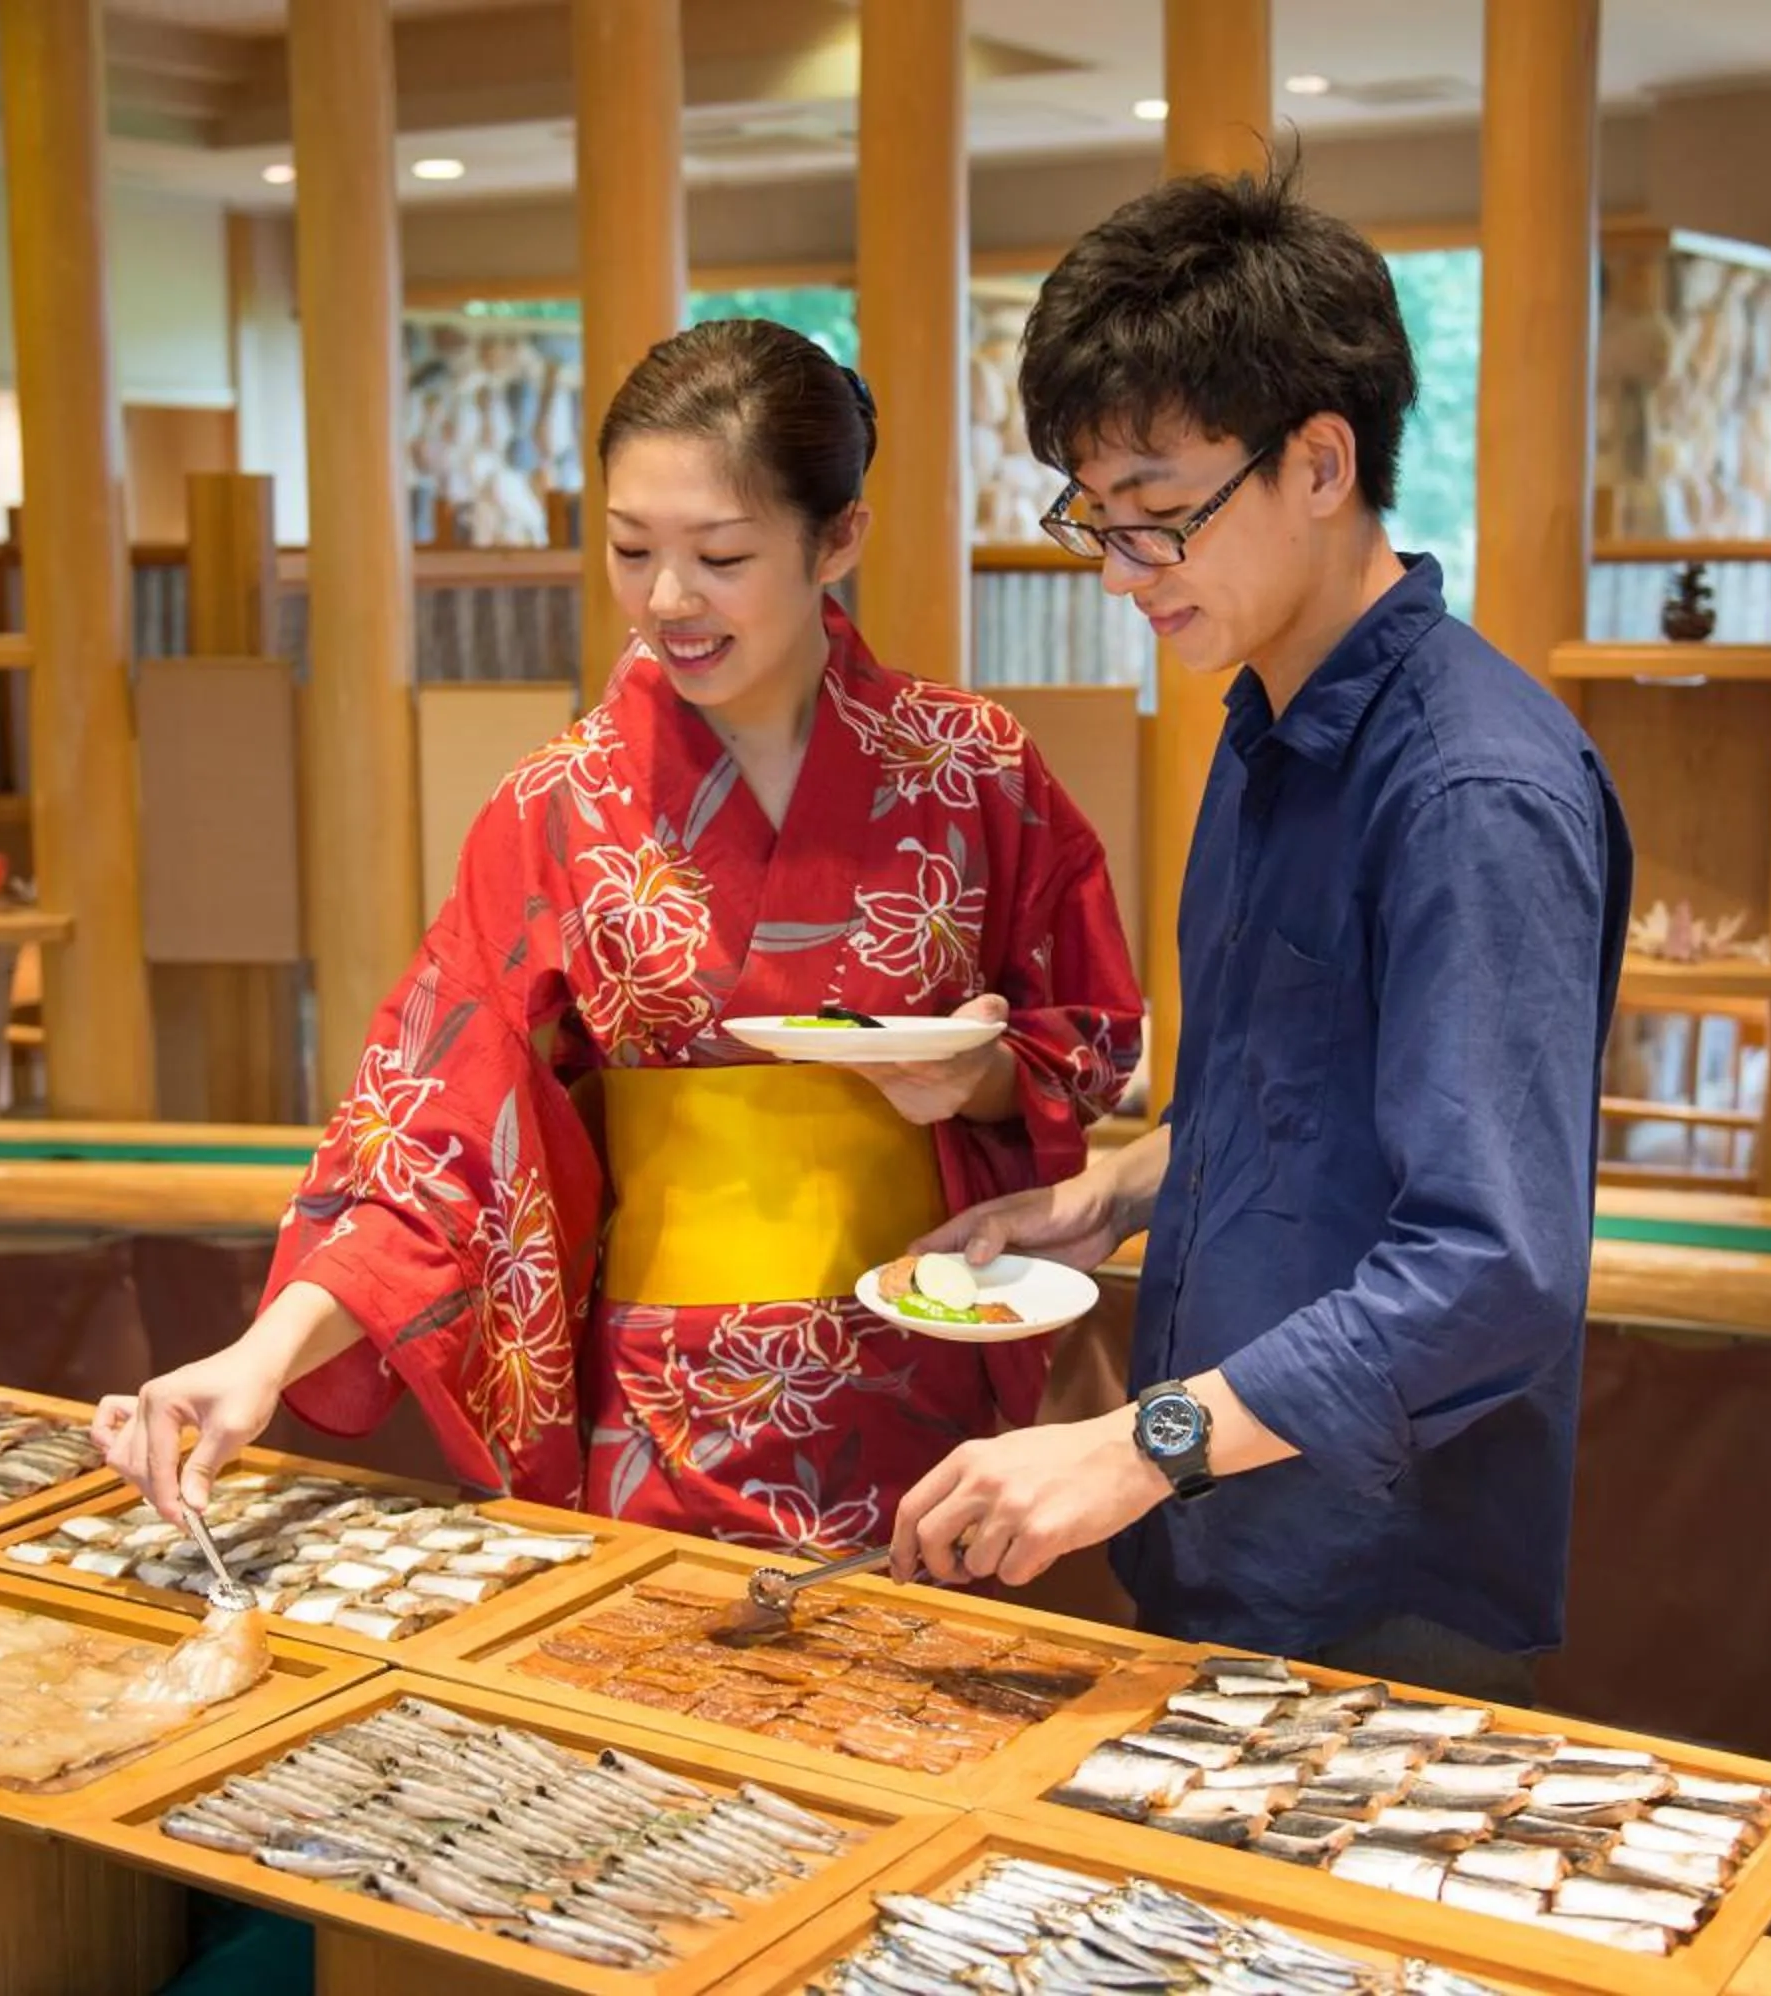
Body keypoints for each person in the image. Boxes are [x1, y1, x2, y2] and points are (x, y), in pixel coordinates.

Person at [97, 320, 1142, 1555]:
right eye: (630, 548)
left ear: (839, 538)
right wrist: (261, 1355)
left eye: (721, 555)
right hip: (667, 1400)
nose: (667, 601)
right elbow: (438, 1131)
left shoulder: (970, 768)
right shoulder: (557, 805)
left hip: (930, 1363)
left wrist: (975, 1079)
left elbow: (1087, 1037)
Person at [888, 167, 1634, 1702]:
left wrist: (1138, 1440)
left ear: (1319, 461)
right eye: (1095, 518)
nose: (1117, 570)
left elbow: (1492, 1270)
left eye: (1159, 519)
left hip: (1378, 1581)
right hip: (1226, 1540)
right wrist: (1104, 1197)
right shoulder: (1261, 722)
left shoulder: (1469, 789)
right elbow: (1298, 1109)